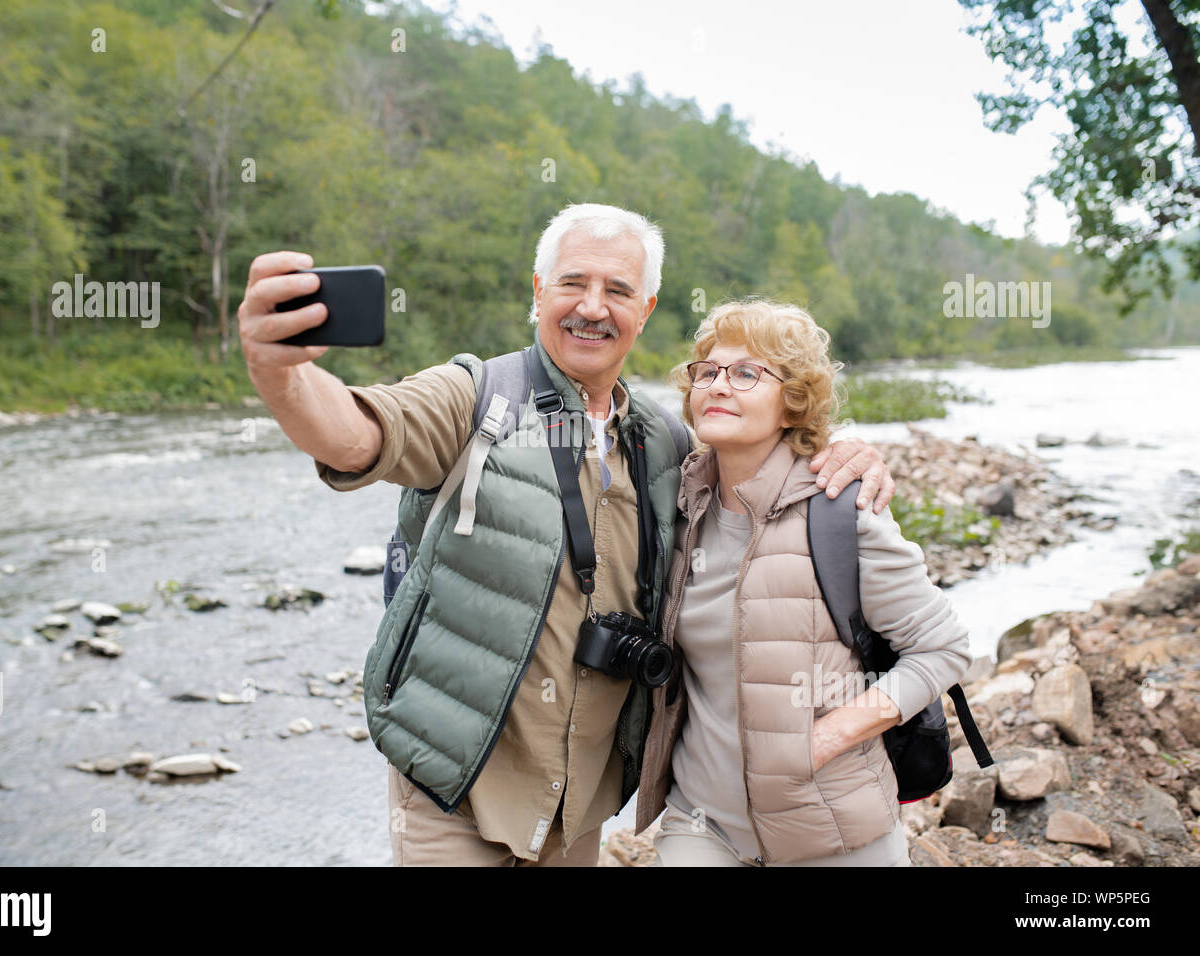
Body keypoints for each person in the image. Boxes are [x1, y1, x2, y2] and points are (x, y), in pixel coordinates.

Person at [238, 203, 897, 866]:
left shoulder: (664, 442)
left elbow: (760, 471)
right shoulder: (475, 397)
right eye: (572, 283)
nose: (592, 307)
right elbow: (354, 435)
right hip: (456, 789)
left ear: (645, 309)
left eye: (617, 291)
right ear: (537, 291)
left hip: (581, 806)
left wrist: (839, 455)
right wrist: (279, 372)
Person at [635, 297, 972, 866]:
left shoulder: (844, 510)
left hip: (830, 829)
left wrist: (830, 736)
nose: (719, 385)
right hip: (701, 822)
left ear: (793, 403)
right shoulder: (677, 499)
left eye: (746, 373)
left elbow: (943, 647)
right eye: (707, 372)